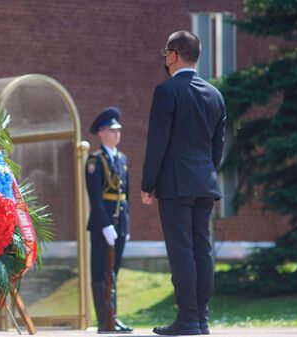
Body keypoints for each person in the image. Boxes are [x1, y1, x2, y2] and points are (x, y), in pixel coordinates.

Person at [141, 31, 226, 336]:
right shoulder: (215, 94)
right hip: (204, 183)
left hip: (176, 185)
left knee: (182, 251)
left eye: (166, 53)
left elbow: (157, 143)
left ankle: (188, 319)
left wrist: (147, 184)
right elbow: (218, 147)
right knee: (201, 250)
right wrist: (205, 174)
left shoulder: (166, 92)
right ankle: (200, 318)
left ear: (174, 55)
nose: (165, 58)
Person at [85, 107, 133, 334]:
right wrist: (105, 225)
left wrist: (126, 224)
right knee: (101, 271)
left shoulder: (122, 159)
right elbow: (95, 196)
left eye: (118, 130)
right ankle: (104, 320)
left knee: (114, 272)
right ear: (102, 132)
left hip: (120, 224)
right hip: (102, 225)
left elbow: (127, 195)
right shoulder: (95, 160)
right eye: (112, 130)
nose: (117, 134)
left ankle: (113, 317)